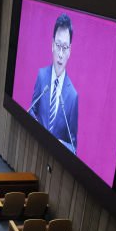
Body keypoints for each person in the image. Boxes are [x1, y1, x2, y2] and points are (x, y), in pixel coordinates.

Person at [28, 13, 78, 154]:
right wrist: (37, 128)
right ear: (52, 45)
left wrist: (61, 144)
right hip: (35, 148)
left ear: (69, 51)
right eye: (58, 45)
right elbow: (32, 109)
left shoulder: (73, 96)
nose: (61, 53)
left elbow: (73, 147)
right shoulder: (42, 75)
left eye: (65, 47)